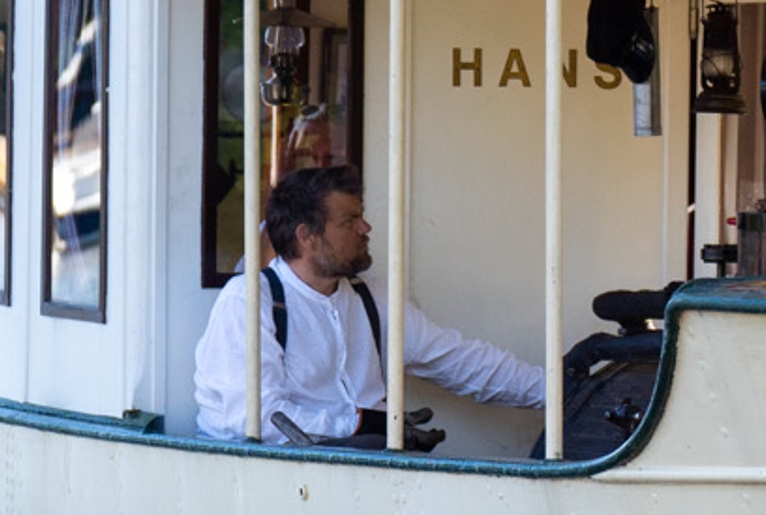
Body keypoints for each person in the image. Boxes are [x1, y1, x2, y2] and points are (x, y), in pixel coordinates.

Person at [192, 165, 549, 446]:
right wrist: (364, 425)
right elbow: (256, 420)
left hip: (362, 477)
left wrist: (556, 391)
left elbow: (459, 361)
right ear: (307, 236)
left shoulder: (372, 299)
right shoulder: (249, 300)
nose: (366, 227)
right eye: (349, 220)